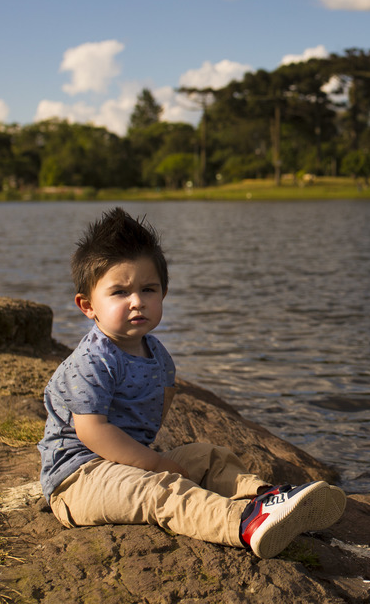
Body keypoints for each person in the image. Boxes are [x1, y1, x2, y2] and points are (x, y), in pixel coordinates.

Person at [37, 207, 346, 558]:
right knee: (161, 490)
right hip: (80, 479)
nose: (137, 301)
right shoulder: (92, 360)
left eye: (148, 289)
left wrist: (157, 461)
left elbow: (152, 419)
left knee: (207, 456)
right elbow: (92, 432)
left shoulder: (159, 358)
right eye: (120, 293)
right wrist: (155, 465)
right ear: (87, 305)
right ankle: (243, 522)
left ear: (163, 294)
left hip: (126, 466)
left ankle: (265, 497)